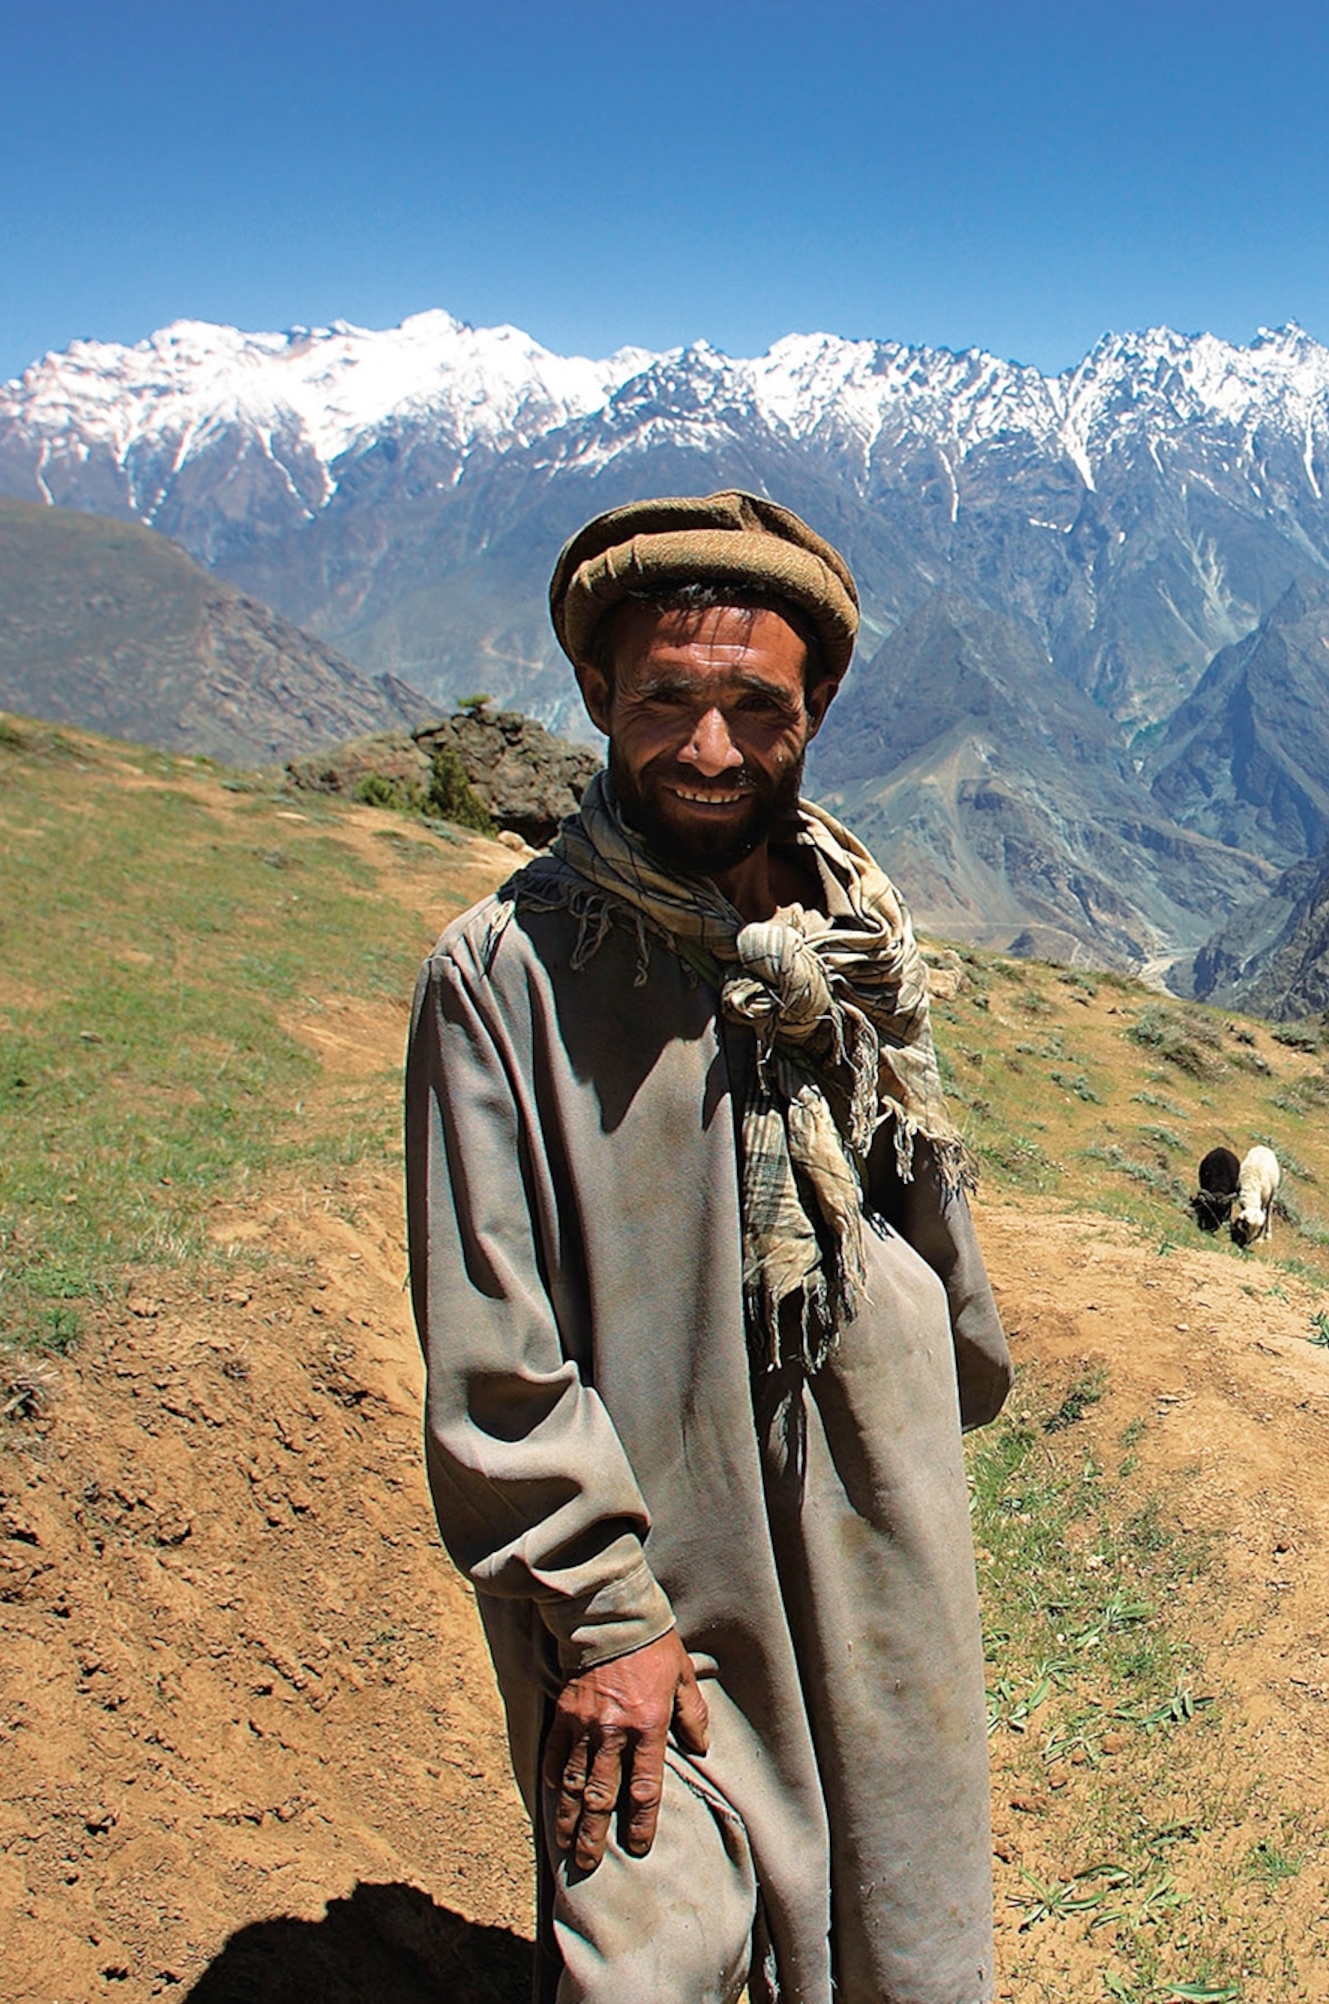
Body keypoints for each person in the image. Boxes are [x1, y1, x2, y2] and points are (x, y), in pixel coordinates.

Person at [403, 491, 1010, 2003]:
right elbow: (495, 1339)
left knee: (901, 1912)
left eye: (760, 708)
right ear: (597, 690)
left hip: (872, 1520)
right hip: (655, 1547)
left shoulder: (850, 935)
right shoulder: (506, 977)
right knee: (647, 1948)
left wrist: (937, 1366)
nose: (712, 748)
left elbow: (914, 1191)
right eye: (667, 698)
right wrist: (603, 1614)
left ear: (819, 711)